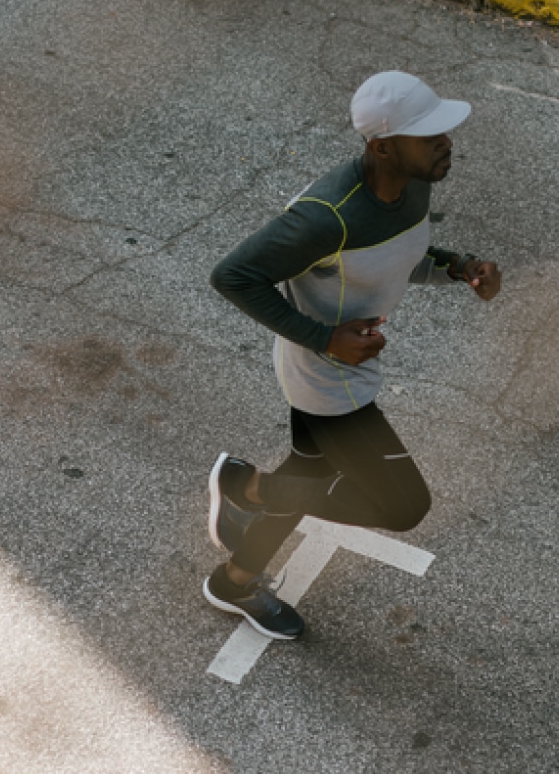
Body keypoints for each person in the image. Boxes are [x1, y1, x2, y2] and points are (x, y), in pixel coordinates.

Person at [205, 71, 502, 639]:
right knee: (402, 505)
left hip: (345, 365)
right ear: (382, 145)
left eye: (444, 131)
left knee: (307, 474)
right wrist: (324, 338)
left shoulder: (412, 183)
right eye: (429, 135)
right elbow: (233, 276)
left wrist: (460, 267)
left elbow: (402, 256)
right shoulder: (326, 216)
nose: (446, 144)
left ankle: (235, 580)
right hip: (327, 378)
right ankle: (245, 487)